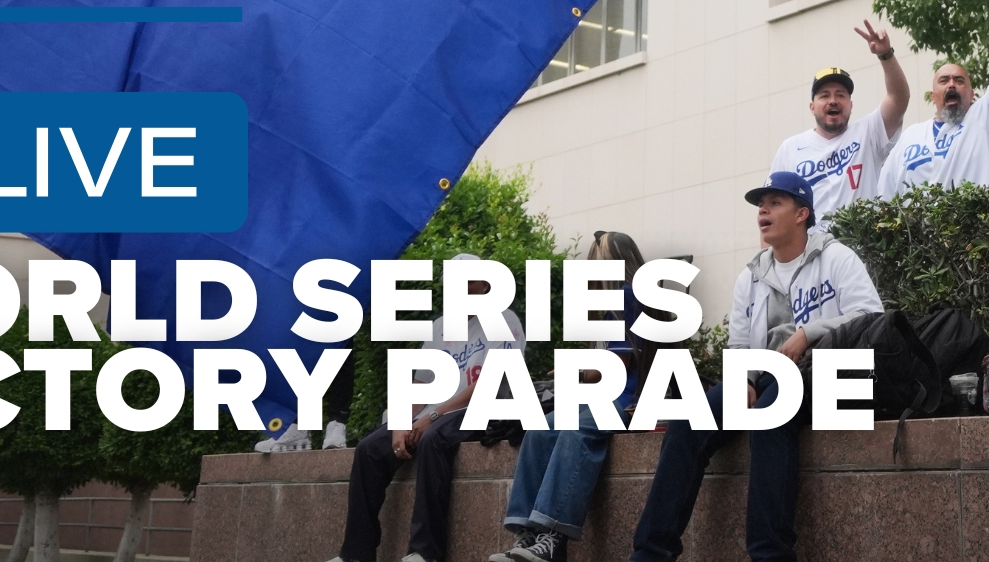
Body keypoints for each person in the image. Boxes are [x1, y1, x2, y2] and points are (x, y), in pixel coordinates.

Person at [628, 171, 881, 562]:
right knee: (688, 420)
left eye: (774, 202)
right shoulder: (751, 275)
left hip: (826, 370)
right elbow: (740, 342)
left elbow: (870, 315)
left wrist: (808, 333)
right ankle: (650, 553)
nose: (763, 210)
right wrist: (742, 378)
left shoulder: (836, 257)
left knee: (770, 414)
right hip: (766, 374)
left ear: (802, 214)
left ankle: (770, 555)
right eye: (760, 205)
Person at [329, 254, 526, 562]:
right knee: (369, 448)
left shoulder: (505, 320)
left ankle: (424, 552)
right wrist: (400, 422)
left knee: (434, 439)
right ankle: (356, 553)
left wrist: (431, 416)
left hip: (481, 409)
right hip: (433, 414)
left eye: (467, 283)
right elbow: (420, 385)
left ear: (485, 286)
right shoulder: (439, 327)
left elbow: (489, 383)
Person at [494, 233, 651, 562]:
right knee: (540, 428)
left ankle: (551, 537)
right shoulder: (609, 305)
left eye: (597, 255)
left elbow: (612, 368)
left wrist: (574, 373)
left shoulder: (627, 296)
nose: (590, 262)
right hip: (601, 396)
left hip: (626, 399)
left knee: (575, 427)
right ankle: (529, 535)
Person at [875, 0, 989, 196]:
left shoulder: (984, 120)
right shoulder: (910, 137)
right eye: (944, 81)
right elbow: (884, 200)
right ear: (933, 96)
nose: (952, 85)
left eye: (959, 80)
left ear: (972, 94)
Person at [768, 20, 911, 224]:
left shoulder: (868, 133)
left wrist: (885, 54)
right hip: (809, 252)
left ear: (850, 105)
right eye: (824, 95)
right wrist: (767, 255)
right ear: (812, 107)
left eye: (840, 95)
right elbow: (771, 206)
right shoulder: (790, 148)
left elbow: (899, 98)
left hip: (860, 250)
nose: (833, 100)